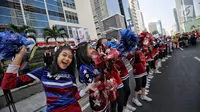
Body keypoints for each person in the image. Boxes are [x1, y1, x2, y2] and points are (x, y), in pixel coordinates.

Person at [1, 45, 99, 112]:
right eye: (64, 55)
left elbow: (74, 97)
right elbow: (7, 83)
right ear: (57, 56)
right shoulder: (44, 71)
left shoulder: (70, 75)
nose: (67, 59)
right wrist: (19, 56)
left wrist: (87, 88)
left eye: (70, 57)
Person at [76, 42, 110, 112]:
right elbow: (94, 83)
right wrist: (104, 75)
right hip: (97, 97)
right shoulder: (83, 68)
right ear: (83, 52)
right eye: (90, 48)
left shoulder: (91, 63)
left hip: (103, 93)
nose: (93, 50)